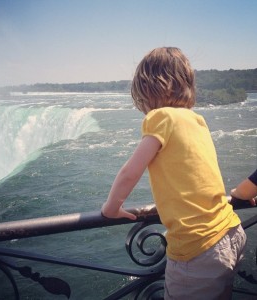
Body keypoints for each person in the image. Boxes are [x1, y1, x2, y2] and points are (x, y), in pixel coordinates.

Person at [101, 47, 246, 300]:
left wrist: (111, 208)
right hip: (231, 231)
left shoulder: (160, 118)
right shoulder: (197, 120)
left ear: (147, 87)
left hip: (198, 248)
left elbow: (130, 172)